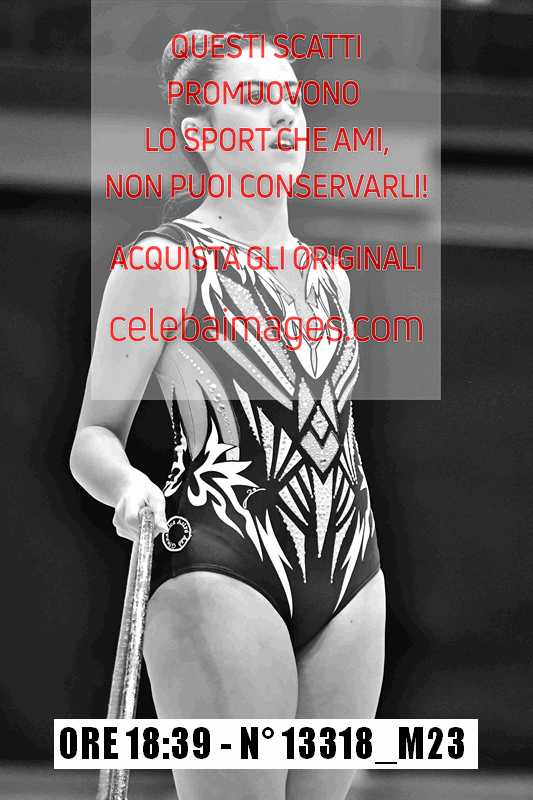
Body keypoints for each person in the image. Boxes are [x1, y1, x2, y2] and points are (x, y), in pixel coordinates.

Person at [70, 29, 386, 800]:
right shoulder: (164, 261)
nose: (282, 114)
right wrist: (128, 489)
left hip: (350, 572)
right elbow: (93, 437)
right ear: (202, 134)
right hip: (221, 560)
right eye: (253, 97)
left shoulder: (330, 279)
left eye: (290, 97)